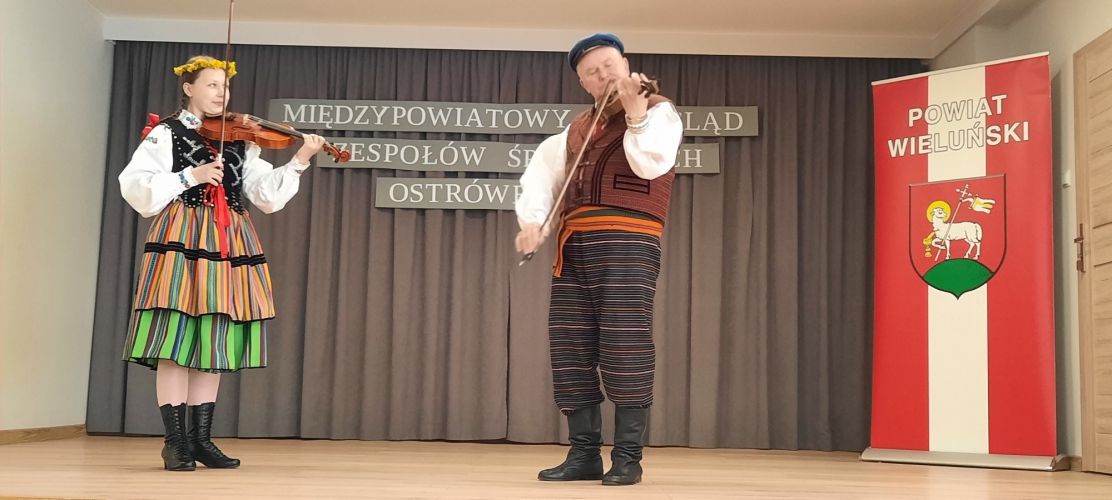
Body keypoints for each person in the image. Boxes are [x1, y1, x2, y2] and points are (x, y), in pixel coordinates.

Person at [118, 55, 325, 471]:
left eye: (225, 86)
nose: (220, 93)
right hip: (183, 234)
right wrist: (189, 177)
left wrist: (300, 160)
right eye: (212, 85)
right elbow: (135, 185)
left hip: (230, 237)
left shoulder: (241, 139)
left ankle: (200, 441)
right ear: (189, 88)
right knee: (175, 339)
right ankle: (175, 442)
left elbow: (265, 196)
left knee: (214, 336)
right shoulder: (166, 132)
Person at [514, 33, 683, 486]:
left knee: (625, 344)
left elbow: (651, 164)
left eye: (610, 65)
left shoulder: (658, 112)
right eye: (592, 71)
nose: (603, 74)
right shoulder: (570, 133)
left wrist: (636, 114)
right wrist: (532, 222)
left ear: (625, 66)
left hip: (629, 242)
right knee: (570, 347)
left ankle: (628, 459)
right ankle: (584, 454)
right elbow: (540, 180)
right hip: (574, 247)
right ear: (584, 83)